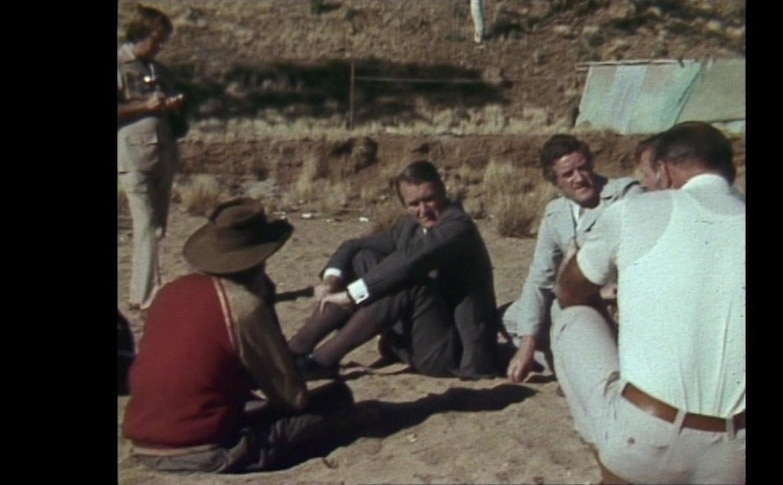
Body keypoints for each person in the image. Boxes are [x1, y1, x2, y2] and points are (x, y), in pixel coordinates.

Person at [551, 122, 745, 484]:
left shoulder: (635, 210)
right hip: (739, 455)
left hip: (647, 440)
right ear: (730, 171)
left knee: (571, 315)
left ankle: (606, 450)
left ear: (665, 171)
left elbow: (569, 291)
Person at [122, 198, 356, 473]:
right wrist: (266, 311)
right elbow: (291, 396)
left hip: (142, 438)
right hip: (203, 448)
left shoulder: (169, 293)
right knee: (337, 399)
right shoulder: (243, 306)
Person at [287, 160, 499, 380]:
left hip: (453, 351)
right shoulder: (410, 227)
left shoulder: (457, 226)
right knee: (364, 258)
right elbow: (354, 246)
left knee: (407, 281)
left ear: (443, 192)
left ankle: (322, 361)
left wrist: (351, 295)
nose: (424, 210)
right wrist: (330, 283)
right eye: (414, 204)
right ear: (405, 205)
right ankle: (294, 350)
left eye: (429, 199)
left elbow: (411, 262)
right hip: (413, 338)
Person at [503, 134, 642, 383]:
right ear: (554, 181)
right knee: (512, 316)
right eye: (568, 174)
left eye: (583, 168)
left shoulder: (624, 196)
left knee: (559, 311)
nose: (579, 178)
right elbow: (539, 277)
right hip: (578, 301)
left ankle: (580, 370)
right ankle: (570, 364)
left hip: (617, 307)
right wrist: (527, 346)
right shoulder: (555, 213)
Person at [118, 4, 186, 310]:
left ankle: (146, 288)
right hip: (132, 157)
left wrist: (173, 105)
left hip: (162, 152)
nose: (159, 46)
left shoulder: (159, 70)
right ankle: (145, 295)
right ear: (140, 34)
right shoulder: (120, 66)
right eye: (156, 39)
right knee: (144, 225)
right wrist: (145, 106)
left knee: (157, 227)